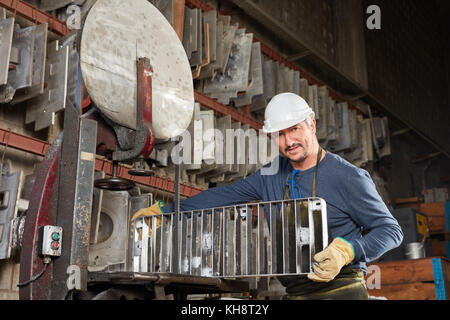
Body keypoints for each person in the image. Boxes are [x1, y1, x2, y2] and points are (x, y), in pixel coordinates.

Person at [132, 92, 403, 300]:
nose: (288, 141)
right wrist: (166, 212)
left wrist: (349, 250)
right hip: (296, 291)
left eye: (295, 129)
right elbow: (224, 196)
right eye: (280, 134)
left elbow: (391, 231)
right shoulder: (270, 175)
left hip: (342, 290)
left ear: (312, 124)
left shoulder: (348, 177)